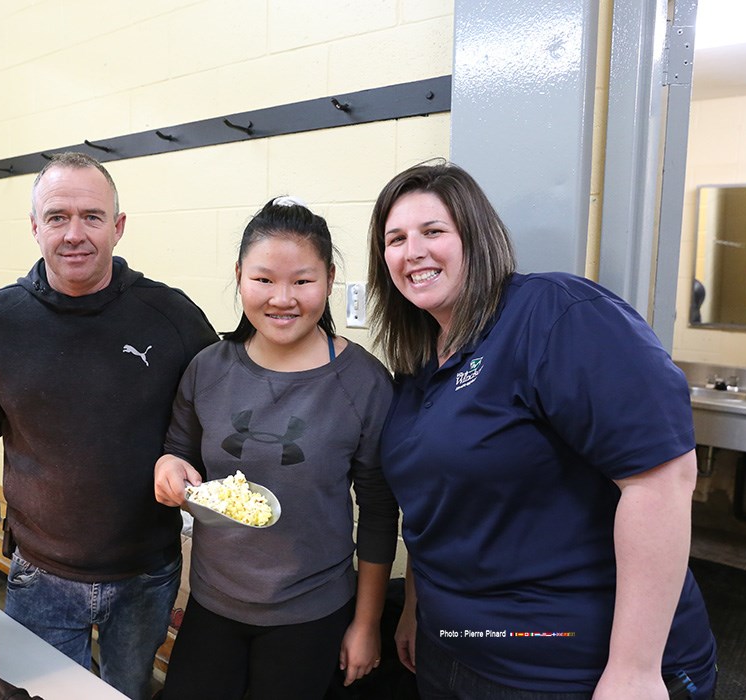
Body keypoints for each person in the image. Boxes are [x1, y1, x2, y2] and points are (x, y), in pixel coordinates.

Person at [366, 161, 717, 699]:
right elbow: (433, 504)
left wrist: (634, 670)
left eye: (433, 231)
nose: (412, 251)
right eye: (396, 239)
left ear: (477, 238)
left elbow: (661, 479)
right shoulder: (419, 364)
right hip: (454, 649)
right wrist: (416, 608)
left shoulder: (554, 314)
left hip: (568, 667)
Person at [0, 152, 218, 700]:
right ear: (35, 227)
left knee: (127, 691)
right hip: (39, 575)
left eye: (91, 216)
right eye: (57, 217)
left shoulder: (173, 317)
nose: (74, 234)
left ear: (118, 226)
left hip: (146, 575)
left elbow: (213, 418)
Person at [153, 197, 400, 699]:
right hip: (213, 601)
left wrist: (366, 624)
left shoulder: (364, 382)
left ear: (329, 280)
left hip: (312, 611)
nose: (282, 299)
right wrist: (169, 466)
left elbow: (379, 511)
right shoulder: (208, 367)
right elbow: (178, 449)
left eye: (302, 281)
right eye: (263, 279)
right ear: (239, 276)